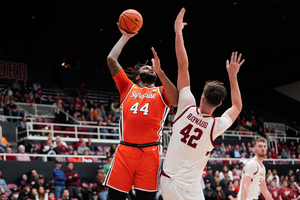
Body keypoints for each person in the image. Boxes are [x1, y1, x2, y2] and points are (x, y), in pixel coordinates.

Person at [161, 8, 243, 200]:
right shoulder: (216, 125)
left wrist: (178, 33)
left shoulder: (186, 106)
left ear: (202, 97)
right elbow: (237, 107)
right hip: (189, 187)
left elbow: (183, 66)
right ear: (220, 103)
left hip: (169, 182)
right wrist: (233, 76)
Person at [104, 12, 178, 200]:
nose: (149, 68)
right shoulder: (127, 88)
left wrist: (160, 72)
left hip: (150, 152)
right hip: (125, 151)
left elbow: (176, 100)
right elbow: (111, 60)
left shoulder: (162, 92)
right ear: (137, 76)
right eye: (146, 68)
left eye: (151, 68)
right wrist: (125, 36)